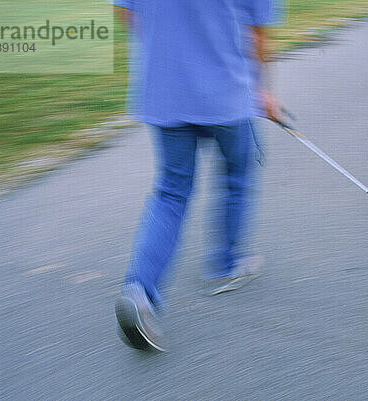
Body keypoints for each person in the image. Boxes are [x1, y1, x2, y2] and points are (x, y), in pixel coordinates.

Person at [113, 0, 282, 351]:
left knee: (171, 192)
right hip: (226, 93)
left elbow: (126, 13)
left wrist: (172, 50)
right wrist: (263, 91)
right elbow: (259, 34)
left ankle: (140, 292)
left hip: (165, 91)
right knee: (238, 172)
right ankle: (227, 264)